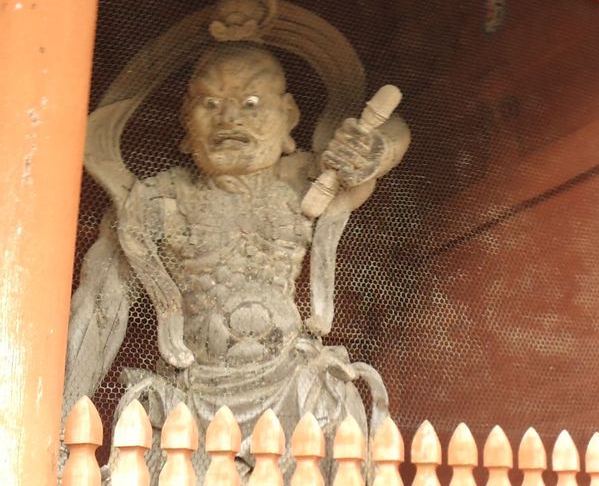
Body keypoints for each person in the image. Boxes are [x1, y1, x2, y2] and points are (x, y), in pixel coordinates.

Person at [112, 42, 409, 474]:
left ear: (288, 116)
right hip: (192, 393)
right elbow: (99, 312)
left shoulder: (303, 181)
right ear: (185, 122)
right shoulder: (161, 199)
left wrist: (373, 151)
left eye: (251, 103)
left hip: (295, 389)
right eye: (210, 103)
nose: (230, 119)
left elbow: (395, 132)